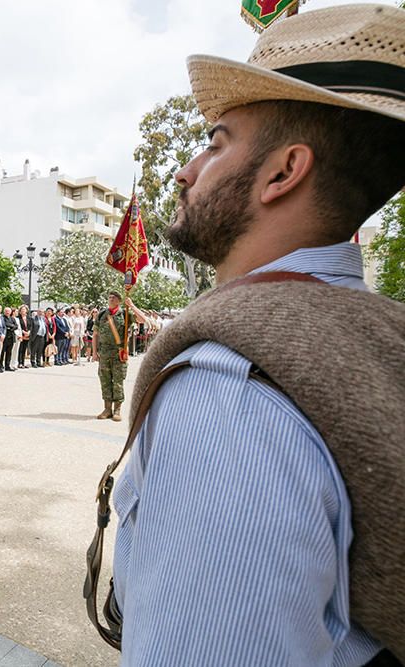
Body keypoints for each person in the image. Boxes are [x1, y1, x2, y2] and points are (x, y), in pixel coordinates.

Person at [104, 7, 405, 663]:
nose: (186, 170)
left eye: (215, 142)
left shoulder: (228, 393)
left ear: (282, 172)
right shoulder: (382, 331)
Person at [91, 292, 145, 421]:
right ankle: (107, 409)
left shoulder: (125, 314)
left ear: (119, 301)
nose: (110, 299)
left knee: (118, 381)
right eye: (109, 297)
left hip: (118, 352)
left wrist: (131, 305)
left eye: (113, 297)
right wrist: (94, 352)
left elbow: (142, 320)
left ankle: (117, 409)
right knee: (105, 380)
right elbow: (95, 335)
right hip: (104, 352)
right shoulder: (102, 314)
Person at [0, 306, 17, 371]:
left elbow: (16, 326)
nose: (7, 312)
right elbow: (5, 324)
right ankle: (0, 366)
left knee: (9, 352)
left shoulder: (12, 318)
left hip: (11, 338)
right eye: (6, 311)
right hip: (5, 338)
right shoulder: (2, 318)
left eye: (8, 311)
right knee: (2, 352)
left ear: (10, 312)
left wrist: (10, 327)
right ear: (4, 312)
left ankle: (7, 366)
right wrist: (12, 326)